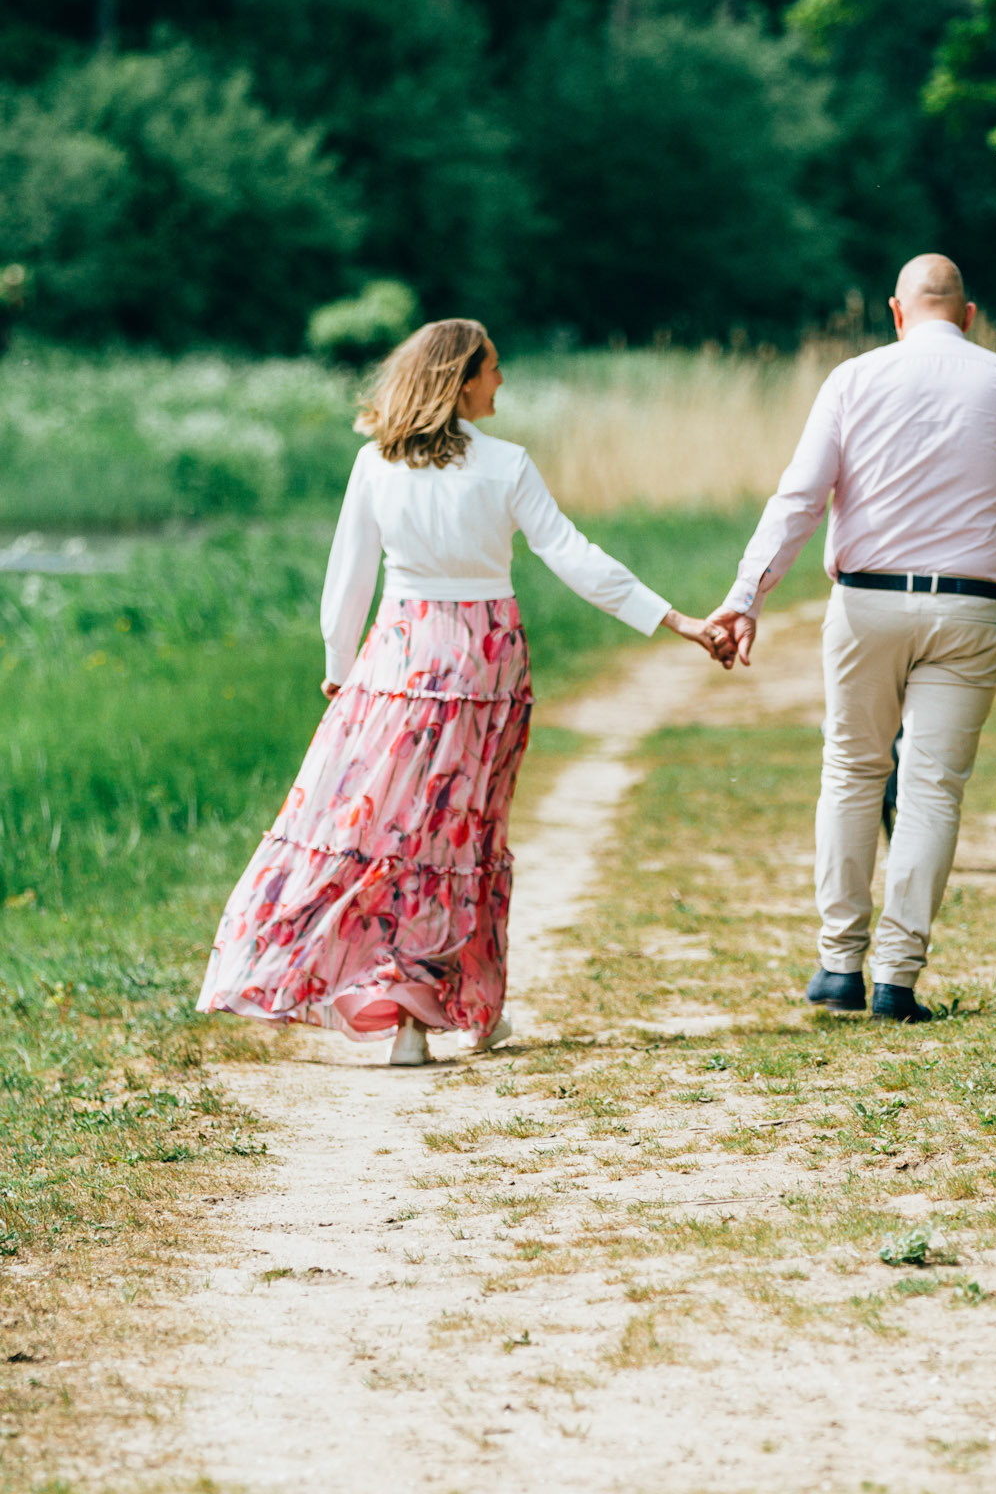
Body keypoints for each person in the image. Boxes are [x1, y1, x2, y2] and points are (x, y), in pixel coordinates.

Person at [197, 317, 724, 1066]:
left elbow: (349, 577)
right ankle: (435, 1001)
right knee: (459, 832)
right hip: (484, 662)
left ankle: (403, 1001)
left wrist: (339, 664)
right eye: (493, 369)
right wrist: (673, 618)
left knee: (388, 830)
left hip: (401, 659)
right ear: (461, 379)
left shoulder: (376, 464)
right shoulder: (505, 465)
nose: (501, 380)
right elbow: (572, 555)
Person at [708, 253, 996, 1023]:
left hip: (866, 604)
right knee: (933, 790)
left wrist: (747, 594)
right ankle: (897, 980)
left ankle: (838, 964)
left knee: (850, 771)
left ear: (896, 312)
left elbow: (799, 499)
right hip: (973, 611)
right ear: (968, 316)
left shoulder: (852, 378)